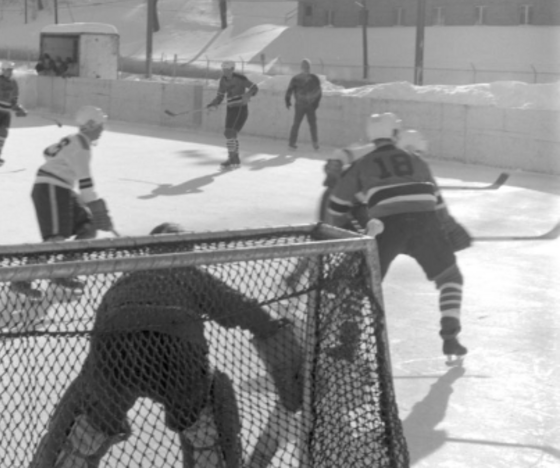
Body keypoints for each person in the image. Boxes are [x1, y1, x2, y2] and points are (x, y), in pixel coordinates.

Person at [28, 223, 301, 468]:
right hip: (177, 354)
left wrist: (97, 392)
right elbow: (242, 309)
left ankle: (77, 446)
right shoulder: (188, 272)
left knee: (87, 424)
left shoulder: (126, 278)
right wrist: (279, 344)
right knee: (206, 420)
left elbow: (98, 339)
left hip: (116, 351)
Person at [326, 112, 468, 362]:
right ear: (395, 134)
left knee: (359, 283)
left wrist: (339, 233)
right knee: (450, 278)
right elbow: (437, 202)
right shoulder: (416, 160)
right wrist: (450, 228)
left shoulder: (363, 163)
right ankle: (450, 337)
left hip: (385, 226)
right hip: (426, 223)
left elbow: (336, 206)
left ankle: (348, 344)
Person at [11, 106, 115, 299]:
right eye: (100, 125)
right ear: (91, 125)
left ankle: (62, 272)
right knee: (55, 239)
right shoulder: (82, 147)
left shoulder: (73, 139)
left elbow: (48, 152)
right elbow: (85, 183)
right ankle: (20, 280)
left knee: (88, 226)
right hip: (51, 188)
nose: (102, 129)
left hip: (61, 188)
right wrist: (98, 209)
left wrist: (95, 211)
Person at [206, 61, 258, 169]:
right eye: (223, 70)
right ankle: (234, 158)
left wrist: (248, 95)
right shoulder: (223, 80)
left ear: (232, 69)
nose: (224, 72)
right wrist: (213, 104)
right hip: (230, 108)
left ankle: (232, 158)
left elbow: (254, 88)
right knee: (230, 134)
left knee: (229, 133)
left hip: (240, 108)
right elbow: (220, 96)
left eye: (227, 70)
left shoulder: (240, 79)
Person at [284, 58, 322, 151]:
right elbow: (290, 90)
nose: (306, 68)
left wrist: (315, 104)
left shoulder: (311, 78)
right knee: (302, 124)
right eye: (305, 66)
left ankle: (312, 143)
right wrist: (287, 100)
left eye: (307, 66)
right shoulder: (301, 78)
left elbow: (318, 92)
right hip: (303, 105)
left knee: (305, 124)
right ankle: (294, 143)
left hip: (306, 105)